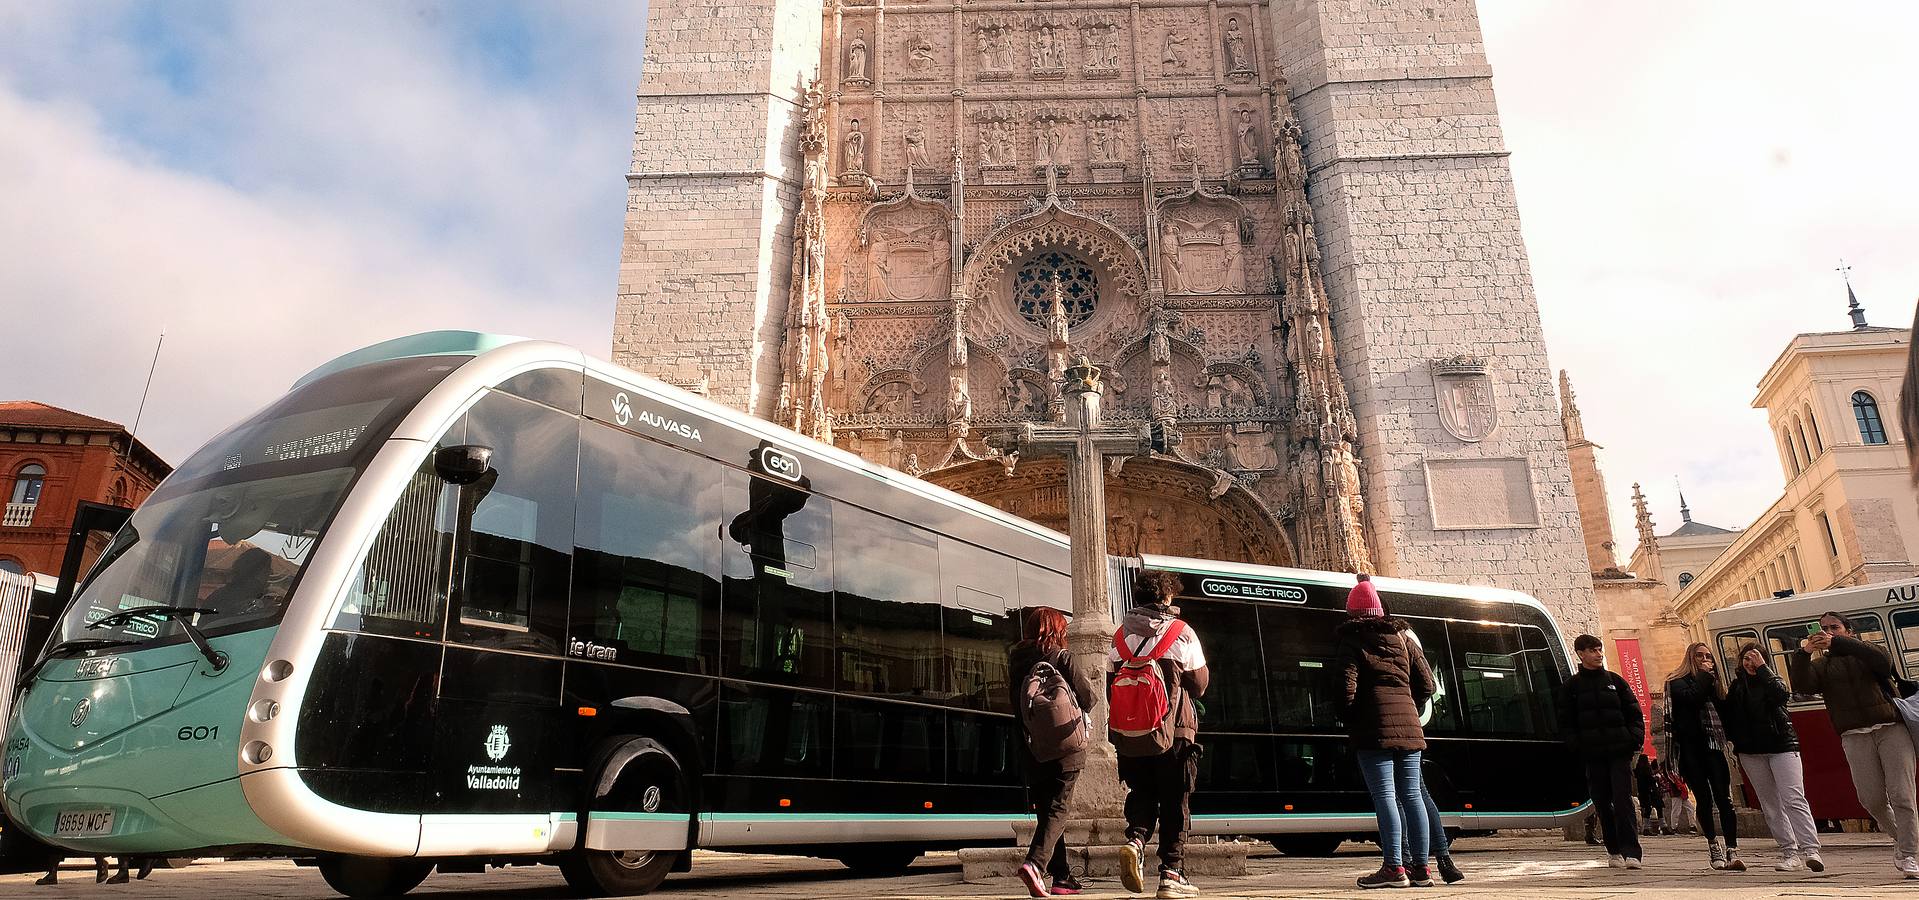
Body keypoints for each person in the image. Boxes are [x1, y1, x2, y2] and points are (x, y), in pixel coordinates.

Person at [1789, 611, 1919, 878]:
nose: (1828, 631)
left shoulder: (1865, 652)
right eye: (1823, 628)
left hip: (1890, 727)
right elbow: (1803, 684)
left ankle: (1909, 854)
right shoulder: (1821, 666)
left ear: (1849, 631)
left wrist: (1838, 643)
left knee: (1902, 796)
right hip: (1853, 734)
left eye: (1834, 627)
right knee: (1871, 799)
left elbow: (1883, 661)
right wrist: (1803, 654)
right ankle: (1903, 839)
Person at [1109, 570, 1208, 899]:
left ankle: (1136, 843)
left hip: (1132, 736)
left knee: (1142, 793)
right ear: (1167, 598)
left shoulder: (1119, 637)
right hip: (1174, 731)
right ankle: (1171, 872)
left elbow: (1112, 685)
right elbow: (1199, 685)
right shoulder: (1181, 632)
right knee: (1175, 800)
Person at [1336, 574, 1437, 889]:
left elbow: (1345, 691)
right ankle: (1421, 869)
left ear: (1352, 613)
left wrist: (1353, 718)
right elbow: (1427, 685)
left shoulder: (1352, 641)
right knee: (1412, 796)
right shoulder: (1404, 640)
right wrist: (1410, 707)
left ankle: (1394, 868)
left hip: (1373, 732)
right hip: (1409, 728)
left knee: (1386, 797)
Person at [1010, 606, 1094, 897]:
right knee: (1059, 808)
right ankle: (1035, 863)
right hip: (1066, 747)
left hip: (1031, 747)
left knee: (1048, 811)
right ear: (1058, 631)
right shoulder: (1062, 657)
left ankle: (1061, 876)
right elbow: (1089, 697)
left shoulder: (1017, 661)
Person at [1724, 642, 1824, 871]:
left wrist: (1763, 670)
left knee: (1794, 797)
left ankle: (1811, 850)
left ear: (1764, 660)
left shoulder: (1772, 680)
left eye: (1755, 658)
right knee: (1770, 804)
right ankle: (1789, 852)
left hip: (1782, 746)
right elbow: (1731, 717)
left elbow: (1781, 695)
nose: (1750, 663)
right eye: (1746, 658)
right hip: (1751, 751)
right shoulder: (1737, 687)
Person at [1558, 633, 1644, 868]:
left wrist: (1633, 739)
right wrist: (1576, 745)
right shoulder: (1572, 687)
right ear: (1581, 654)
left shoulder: (1615, 681)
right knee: (1602, 802)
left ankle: (1632, 852)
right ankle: (1613, 850)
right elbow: (1566, 722)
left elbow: (1634, 713)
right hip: (1592, 754)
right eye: (1593, 650)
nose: (1598, 654)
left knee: (1623, 799)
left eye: (1599, 649)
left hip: (1619, 751)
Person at [1665, 642, 1743, 871]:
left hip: (1714, 747)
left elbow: (1725, 713)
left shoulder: (1713, 684)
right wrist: (1705, 678)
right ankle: (1713, 845)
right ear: (1690, 657)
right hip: (1691, 749)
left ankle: (1732, 848)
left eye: (1708, 655)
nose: (1704, 659)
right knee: (1704, 799)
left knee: (1724, 798)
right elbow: (1691, 700)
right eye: (1699, 655)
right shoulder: (1676, 682)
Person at [1634, 754, 1665, 837]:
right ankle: (1659, 826)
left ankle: (1647, 828)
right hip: (1650, 792)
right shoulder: (1646, 769)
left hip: (1643, 792)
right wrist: (1656, 778)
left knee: (1649, 809)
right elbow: (1650, 780)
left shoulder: (1638, 770)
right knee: (1656, 807)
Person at [1660, 761, 1694, 834]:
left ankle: (1692, 825)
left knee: (1690, 808)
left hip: (1680, 793)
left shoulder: (1673, 773)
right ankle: (1674, 827)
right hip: (1676, 793)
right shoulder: (1670, 774)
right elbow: (1676, 784)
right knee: (1676, 810)